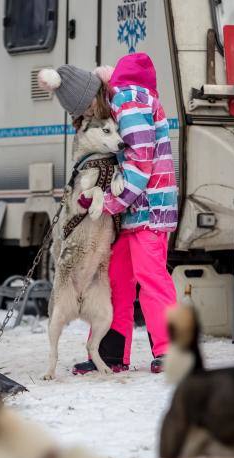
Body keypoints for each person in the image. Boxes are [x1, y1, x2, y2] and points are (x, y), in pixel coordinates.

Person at [40, 53, 178, 374]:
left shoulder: (130, 100)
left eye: (86, 108)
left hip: (150, 207)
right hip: (129, 213)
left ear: (93, 96)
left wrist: (111, 203)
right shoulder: (116, 103)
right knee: (116, 279)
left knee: (150, 275)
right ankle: (111, 353)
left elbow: (141, 160)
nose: (88, 114)